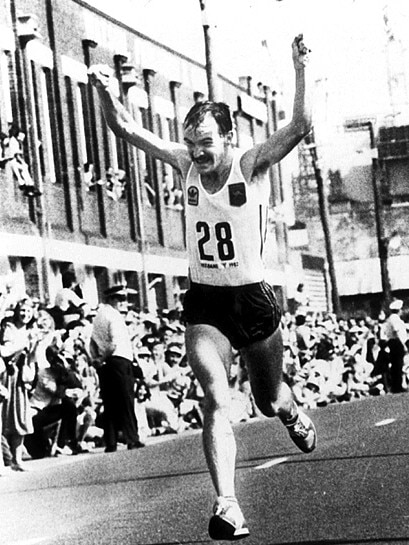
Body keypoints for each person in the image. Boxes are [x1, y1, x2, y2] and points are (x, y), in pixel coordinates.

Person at [89, 34, 316, 541]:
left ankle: (291, 409)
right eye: (191, 144)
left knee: (266, 397)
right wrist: (105, 91)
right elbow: (125, 127)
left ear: (228, 139)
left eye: (206, 144)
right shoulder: (183, 164)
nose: (197, 153)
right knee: (215, 396)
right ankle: (228, 505)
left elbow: (300, 125)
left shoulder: (250, 164)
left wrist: (299, 66)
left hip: (253, 300)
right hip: (207, 302)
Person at [90, 284, 145, 452]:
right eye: (120, 299)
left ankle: (111, 441)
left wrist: (96, 359)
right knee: (126, 401)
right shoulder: (113, 316)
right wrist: (103, 357)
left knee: (110, 402)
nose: (123, 302)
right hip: (119, 361)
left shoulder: (100, 315)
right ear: (112, 299)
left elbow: (92, 341)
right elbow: (114, 343)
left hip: (107, 364)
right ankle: (132, 438)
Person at [0, 298, 37, 470]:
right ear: (17, 311)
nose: (25, 314)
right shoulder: (9, 328)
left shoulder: (31, 331)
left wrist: (34, 347)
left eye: (29, 311)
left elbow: (33, 358)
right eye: (22, 310)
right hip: (8, 376)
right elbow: (5, 351)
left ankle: (17, 460)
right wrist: (22, 345)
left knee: (21, 418)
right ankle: (5, 460)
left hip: (22, 378)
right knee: (5, 418)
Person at [383, 299, 408, 393]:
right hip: (396, 342)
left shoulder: (390, 319)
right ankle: (397, 386)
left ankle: (397, 386)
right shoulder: (395, 319)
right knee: (397, 364)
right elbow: (397, 332)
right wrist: (404, 345)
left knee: (396, 364)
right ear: (399, 310)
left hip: (393, 342)